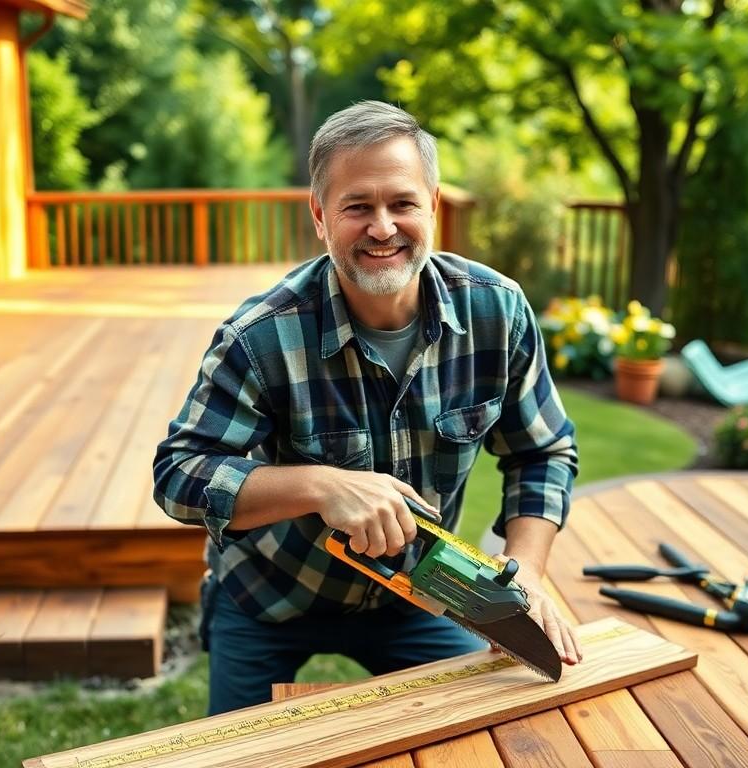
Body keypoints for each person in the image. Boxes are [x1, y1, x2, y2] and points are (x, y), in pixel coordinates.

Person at [153, 101, 581, 715]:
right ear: (321, 215)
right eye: (358, 206)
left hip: (421, 591)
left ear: (432, 206)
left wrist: (527, 571)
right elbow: (178, 476)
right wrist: (322, 486)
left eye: (402, 203)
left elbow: (543, 452)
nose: (383, 227)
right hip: (268, 596)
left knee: (481, 731)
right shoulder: (260, 336)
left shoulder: (499, 312)